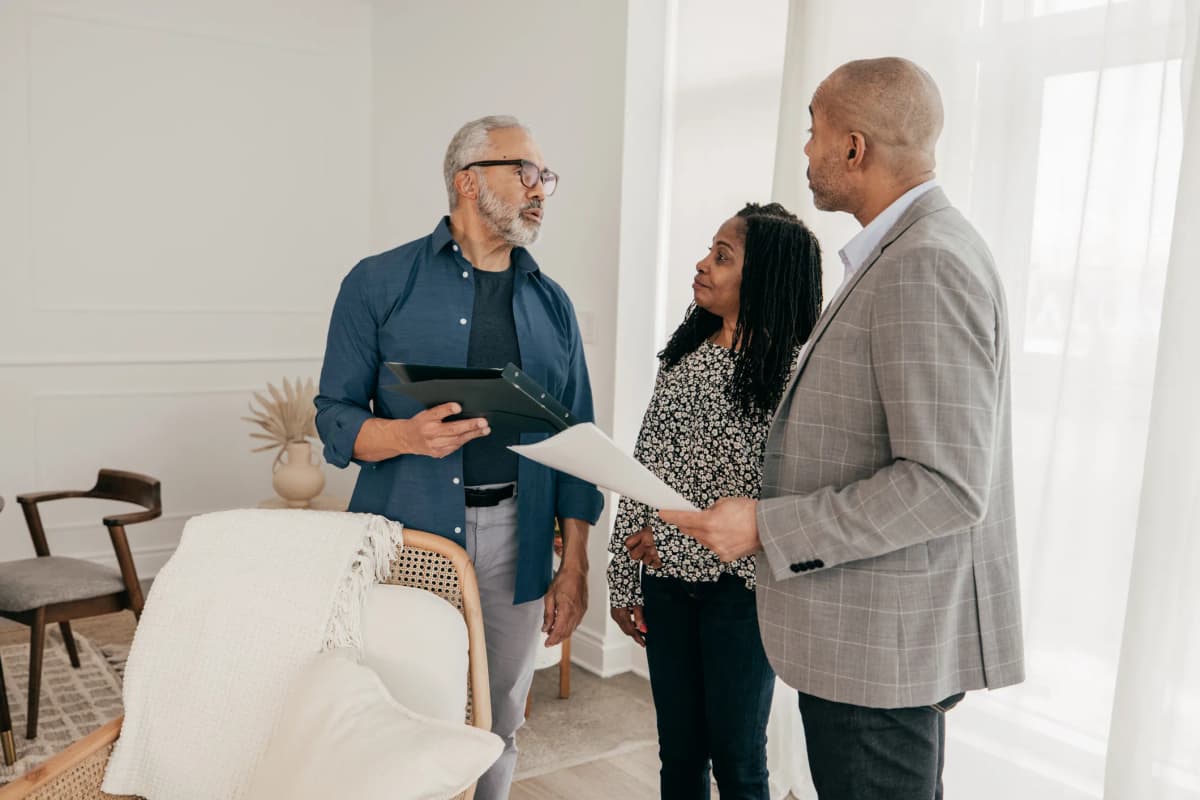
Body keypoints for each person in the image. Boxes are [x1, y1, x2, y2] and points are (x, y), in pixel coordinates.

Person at [660, 58, 1025, 800]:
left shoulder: (925, 263)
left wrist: (767, 524)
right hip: (869, 643)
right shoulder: (903, 253)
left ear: (853, 147)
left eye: (813, 130)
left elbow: (946, 486)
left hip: (880, 657)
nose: (805, 150)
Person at [314, 115, 603, 800]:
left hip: (519, 536)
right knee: (398, 711)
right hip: (403, 532)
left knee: (497, 718)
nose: (540, 191)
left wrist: (576, 565)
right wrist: (405, 436)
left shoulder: (552, 304)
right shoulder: (377, 283)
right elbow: (334, 416)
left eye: (545, 178)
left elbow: (577, 438)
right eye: (525, 172)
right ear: (468, 181)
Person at [609, 203, 823, 800]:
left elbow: (780, 506)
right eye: (710, 250)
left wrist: (674, 545)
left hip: (744, 596)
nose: (703, 264)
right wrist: (624, 578)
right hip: (666, 583)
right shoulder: (685, 355)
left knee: (738, 760)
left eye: (722, 256)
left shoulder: (796, 378)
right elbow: (645, 464)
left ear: (764, 279)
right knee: (678, 756)